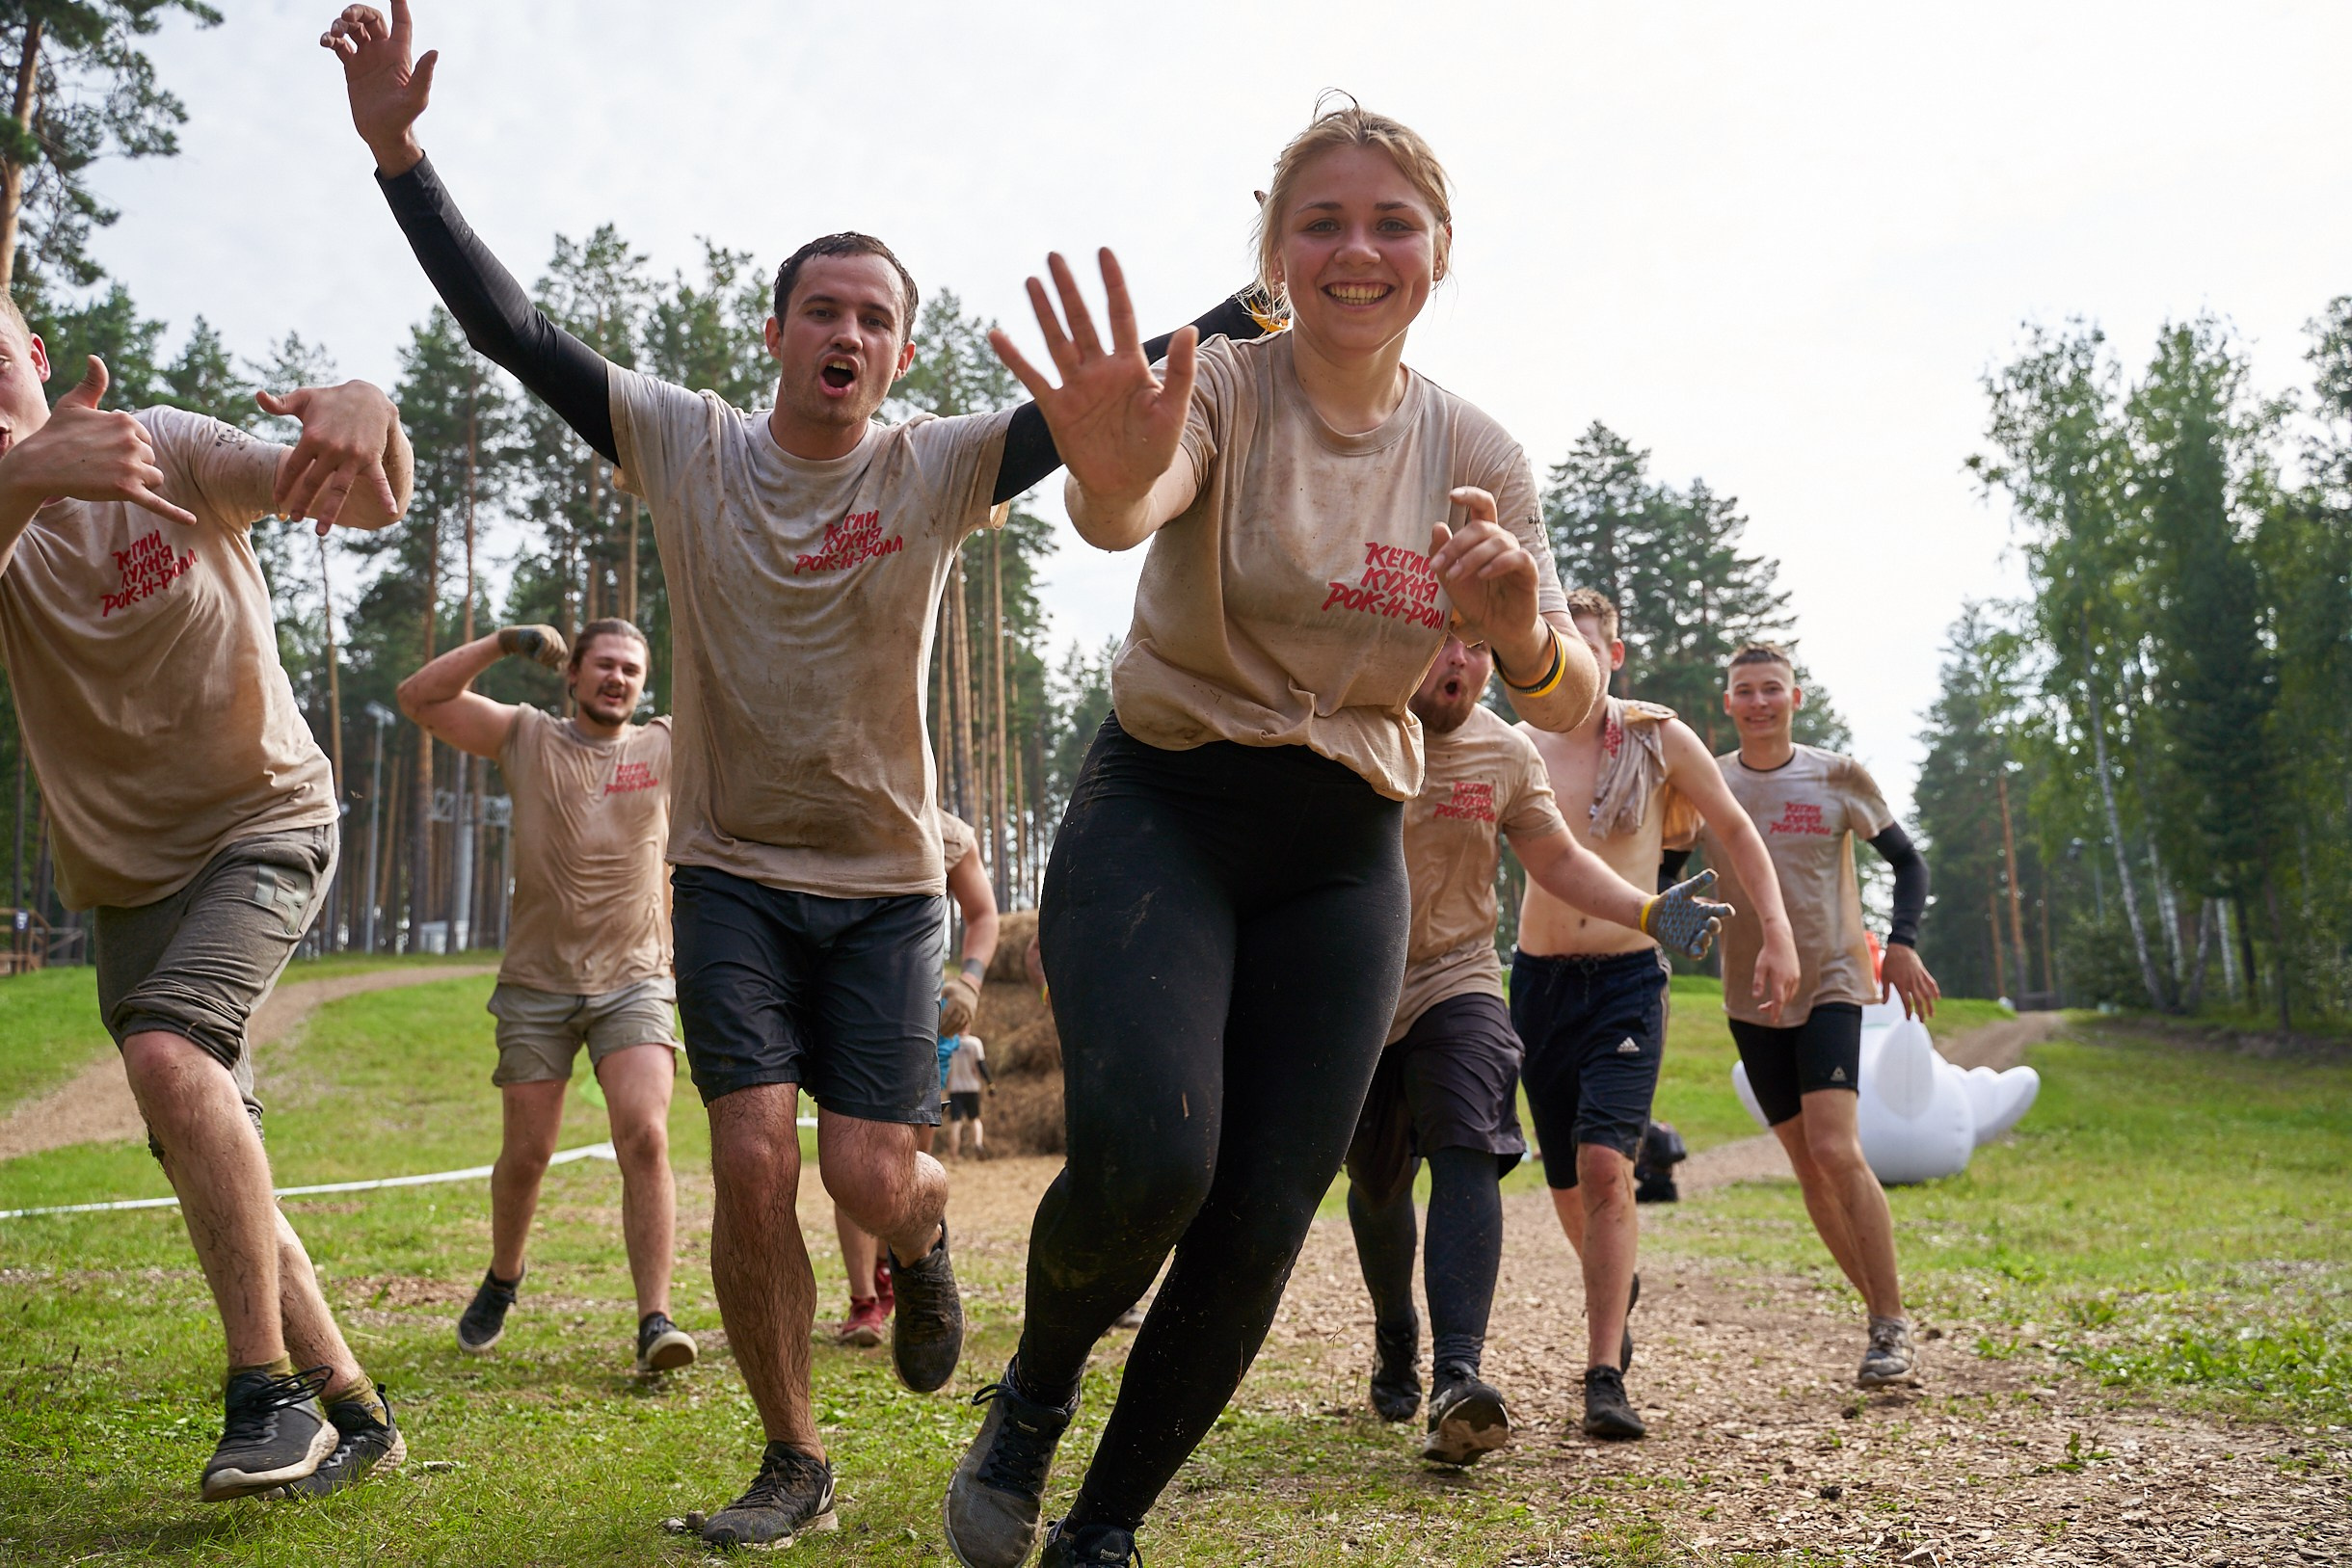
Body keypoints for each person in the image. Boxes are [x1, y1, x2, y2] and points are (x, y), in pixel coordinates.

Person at [323, 4, 1264, 1546]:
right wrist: (399, 155)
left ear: (899, 349)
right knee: (755, 1154)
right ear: (775, 332)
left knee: (873, 1169)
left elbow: (1122, 386)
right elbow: (514, 331)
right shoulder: (685, 442)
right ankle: (791, 1455)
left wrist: (1269, 301)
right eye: (818, 308)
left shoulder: (940, 463)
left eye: (873, 318)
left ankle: (929, 1242)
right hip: (733, 873)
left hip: (889, 885)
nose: (844, 334)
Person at [945, 100, 1609, 1568]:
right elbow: (1131, 506)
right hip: (1166, 805)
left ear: (1438, 251)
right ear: (1275, 251)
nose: (1356, 250)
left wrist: (1518, 636)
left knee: (1260, 1211)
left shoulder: (1477, 443)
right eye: (1322, 221)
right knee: (1157, 1158)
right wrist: (1108, 462)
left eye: (1390, 223)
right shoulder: (1228, 387)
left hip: (1340, 855)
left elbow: (1571, 688)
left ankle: (1103, 1528)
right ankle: (1034, 1396)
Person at [0, 297, 414, 1501]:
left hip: (264, 820)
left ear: (33, 354)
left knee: (175, 1060)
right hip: (127, 881)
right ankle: (354, 1408)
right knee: (202, 1136)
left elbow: (367, 497)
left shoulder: (163, 445)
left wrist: (368, 414)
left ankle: (265, 1395)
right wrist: (28, 480)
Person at [1344, 633, 1727, 1467]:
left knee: (1467, 1146)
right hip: (1351, 988)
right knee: (1377, 1187)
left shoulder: (1505, 750)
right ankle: (1395, 1329)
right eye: (1442, 636)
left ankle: (1458, 1378)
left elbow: (1556, 857)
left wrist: (1648, 910)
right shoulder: (1346, 721)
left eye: (1479, 645)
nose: (1460, 660)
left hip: (1460, 975)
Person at [1514, 590, 1801, 1441]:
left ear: (1615, 652)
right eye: (1555, 642)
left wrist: (1776, 933)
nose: (1570, 657)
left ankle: (1604, 1372)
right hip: (1536, 981)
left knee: (1608, 1164)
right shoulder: (1517, 744)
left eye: (1587, 643)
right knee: (1566, 1174)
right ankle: (1616, 1286)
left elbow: (1737, 830)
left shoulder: (1657, 736)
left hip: (1627, 979)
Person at [395, 616, 695, 1375]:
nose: (617, 678)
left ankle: (654, 1318)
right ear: (572, 674)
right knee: (527, 1154)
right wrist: (502, 643)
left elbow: (753, 701)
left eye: (631, 668)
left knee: (647, 1135)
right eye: (603, 665)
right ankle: (504, 1274)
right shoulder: (526, 736)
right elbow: (419, 699)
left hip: (635, 976)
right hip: (536, 983)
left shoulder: (663, 745)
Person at [1695, 641, 1938, 1389]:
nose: (1760, 702)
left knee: (1836, 1149)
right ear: (1728, 703)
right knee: (1805, 1162)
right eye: (1746, 690)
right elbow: (1667, 870)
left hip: (1833, 978)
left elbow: (1908, 861)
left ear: (1795, 699)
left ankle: (1888, 1321)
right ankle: (1881, 1316)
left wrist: (1899, 944)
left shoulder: (1834, 774)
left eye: (1773, 688)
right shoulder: (1707, 782)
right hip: (1750, 993)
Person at [834, 808, 998, 1348]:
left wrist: (969, 983)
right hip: (844, 1003)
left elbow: (982, 914)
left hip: (920, 1014)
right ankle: (865, 1300)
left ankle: (903, 1271)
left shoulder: (948, 832)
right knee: (851, 1152)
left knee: (905, 1161)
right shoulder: (832, 809)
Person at [944, 1032, 990, 1158]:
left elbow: (944, 1066)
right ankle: (978, 1143)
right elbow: (981, 1065)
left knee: (956, 1122)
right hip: (972, 1087)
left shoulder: (949, 1043)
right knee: (975, 1119)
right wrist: (990, 1084)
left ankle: (954, 1155)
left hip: (955, 1088)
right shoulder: (975, 1042)